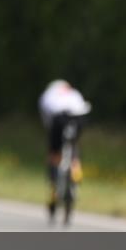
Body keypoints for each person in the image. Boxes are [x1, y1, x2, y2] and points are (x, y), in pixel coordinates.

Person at [38, 79, 91, 219]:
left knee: (54, 154)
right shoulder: (74, 93)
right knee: (73, 148)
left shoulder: (48, 95)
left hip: (58, 119)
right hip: (79, 117)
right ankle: (76, 172)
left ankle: (54, 185)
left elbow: (47, 120)